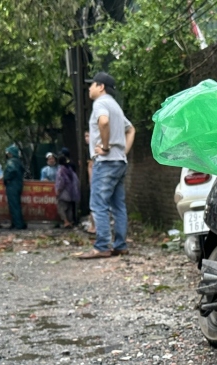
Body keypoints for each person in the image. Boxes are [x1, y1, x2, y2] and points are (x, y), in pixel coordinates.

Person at [77, 72, 135, 259]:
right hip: (119, 161)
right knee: (118, 205)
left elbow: (103, 121)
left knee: (98, 204)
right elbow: (131, 129)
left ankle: (102, 245)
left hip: (106, 161)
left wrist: (106, 146)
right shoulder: (115, 106)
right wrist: (123, 151)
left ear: (100, 87)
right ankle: (120, 245)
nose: (89, 88)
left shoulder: (100, 103)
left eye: (91, 84)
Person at [53, 153, 79, 229]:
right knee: (69, 208)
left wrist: (58, 191)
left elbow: (61, 182)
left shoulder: (61, 170)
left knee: (61, 208)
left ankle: (66, 222)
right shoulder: (69, 169)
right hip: (71, 192)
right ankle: (70, 221)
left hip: (63, 193)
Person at [3, 144, 26, 230]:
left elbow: (11, 170)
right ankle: (17, 223)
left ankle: (18, 224)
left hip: (12, 185)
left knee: (14, 205)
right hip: (18, 184)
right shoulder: (19, 161)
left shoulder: (11, 161)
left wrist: (5, 179)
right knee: (17, 204)